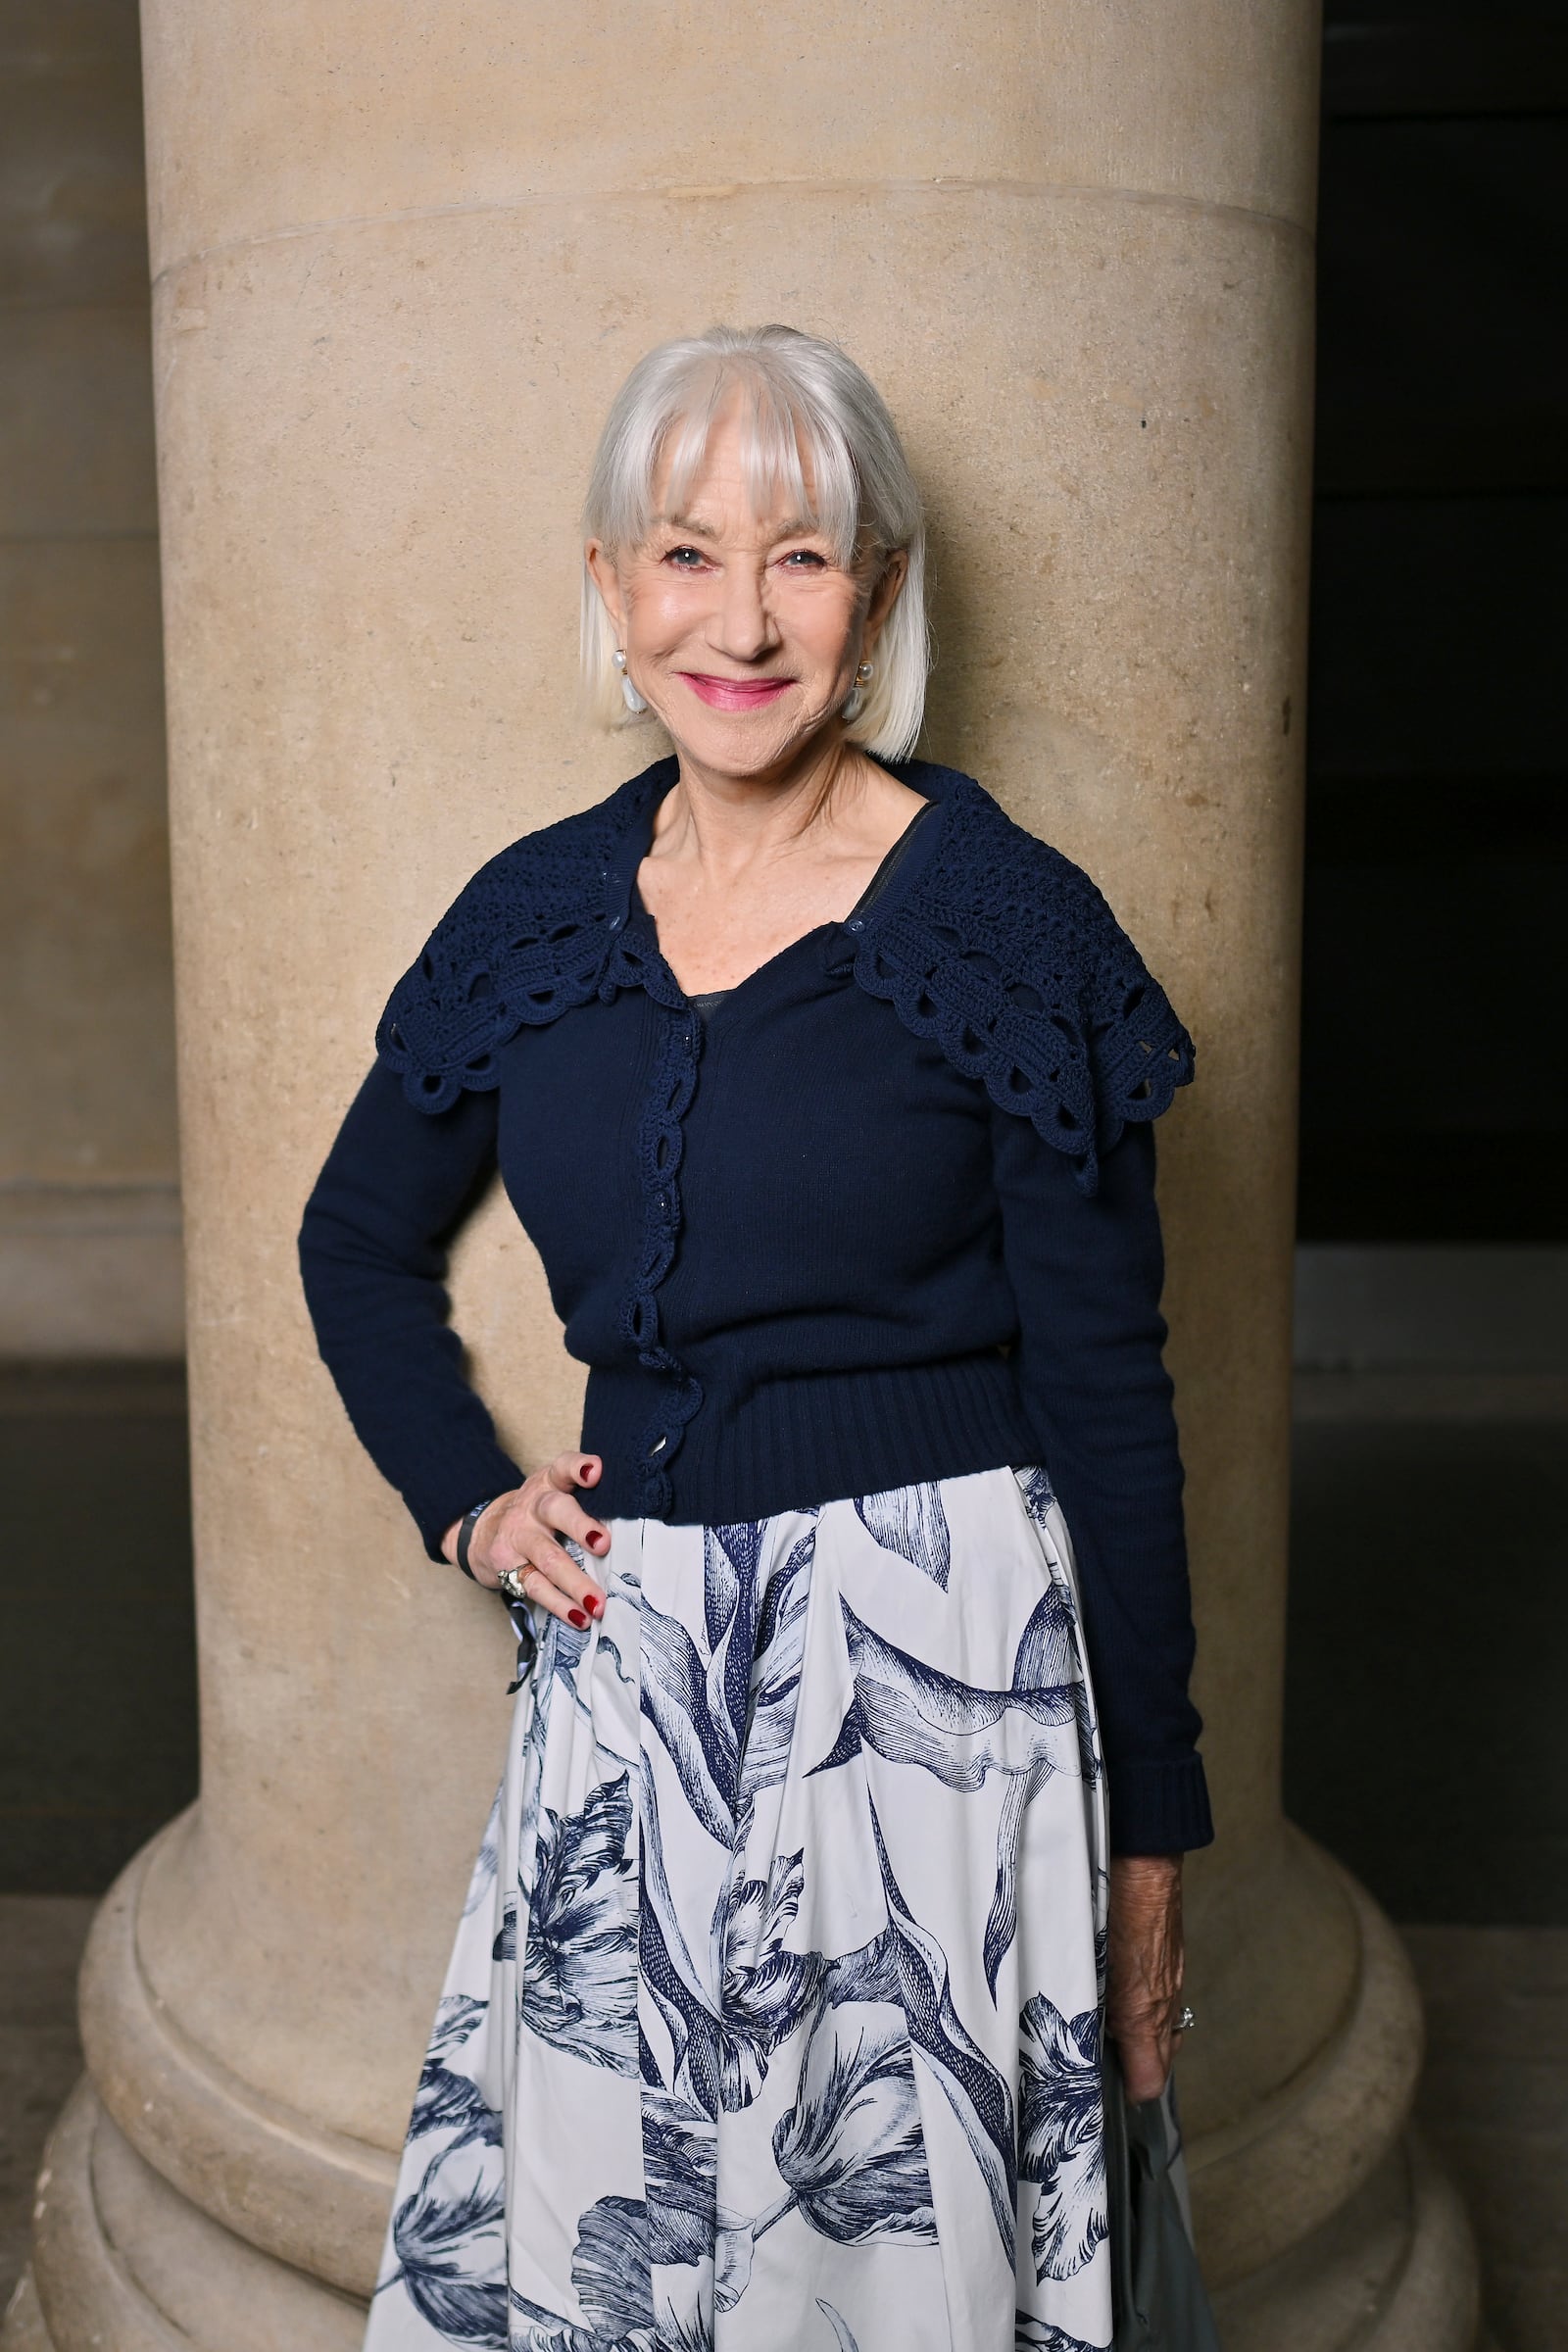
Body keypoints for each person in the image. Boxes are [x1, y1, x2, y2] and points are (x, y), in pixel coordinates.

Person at [300, 323, 1212, 2352]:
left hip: (943, 1710)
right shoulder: (532, 916)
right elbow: (356, 1244)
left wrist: (1150, 1843)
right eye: (684, 554)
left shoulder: (1007, 924)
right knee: (614, 2273)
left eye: (799, 558)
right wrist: (467, 1499)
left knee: (892, 2286)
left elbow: (1110, 1401)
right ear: (613, 592)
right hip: (628, 1708)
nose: (738, 615)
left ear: (875, 599)